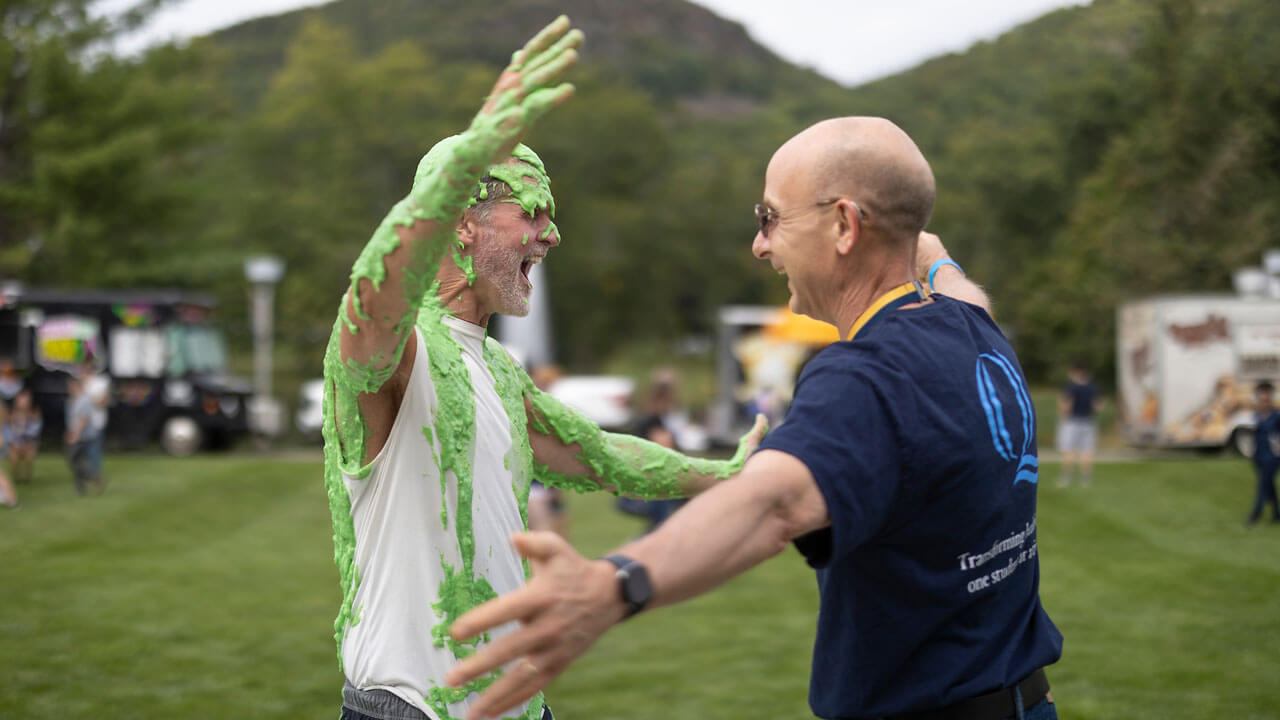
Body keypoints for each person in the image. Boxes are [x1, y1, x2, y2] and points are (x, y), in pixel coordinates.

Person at [447, 117, 1064, 720]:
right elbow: (952, 279)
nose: (760, 244)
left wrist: (614, 586)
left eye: (770, 218)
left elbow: (772, 506)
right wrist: (929, 256)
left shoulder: (864, 376)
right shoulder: (974, 329)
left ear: (844, 225)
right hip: (1026, 700)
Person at [319, 18, 764, 720]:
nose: (551, 233)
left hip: (517, 706)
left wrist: (729, 475)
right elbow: (373, 299)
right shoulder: (396, 356)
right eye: (531, 212)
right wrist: (466, 160)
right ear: (462, 221)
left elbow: (601, 453)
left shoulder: (498, 368)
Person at [1057, 361, 1102, 487]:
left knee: (1069, 451)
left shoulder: (1071, 387)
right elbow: (1098, 406)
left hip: (1072, 421)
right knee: (1086, 451)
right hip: (1088, 421)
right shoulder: (1093, 387)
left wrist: (1062, 416)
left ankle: (1066, 478)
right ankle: (1085, 480)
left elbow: (1066, 405)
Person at [1246, 380, 1279, 526]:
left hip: (1272, 456)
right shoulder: (1255, 417)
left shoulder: (1276, 417)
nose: (1264, 401)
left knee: (1262, 485)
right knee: (1269, 484)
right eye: (1261, 398)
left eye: (1266, 398)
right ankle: (1277, 514)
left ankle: (1255, 515)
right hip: (1258, 455)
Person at [64, 375, 101, 496]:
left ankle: (94, 477)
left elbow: (83, 420)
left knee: (73, 460)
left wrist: (75, 436)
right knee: (76, 462)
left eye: (71, 385)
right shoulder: (71, 400)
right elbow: (72, 420)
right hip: (75, 434)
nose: (69, 387)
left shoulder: (84, 400)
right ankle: (80, 489)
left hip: (83, 436)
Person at [3, 388, 43, 484]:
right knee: (14, 456)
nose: (23, 403)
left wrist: (27, 442)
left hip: (28, 443)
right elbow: (6, 430)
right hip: (14, 444)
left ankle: (27, 477)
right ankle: (14, 476)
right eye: (21, 400)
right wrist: (13, 443)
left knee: (30, 454)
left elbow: (36, 430)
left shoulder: (34, 414)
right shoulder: (10, 414)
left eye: (26, 400)